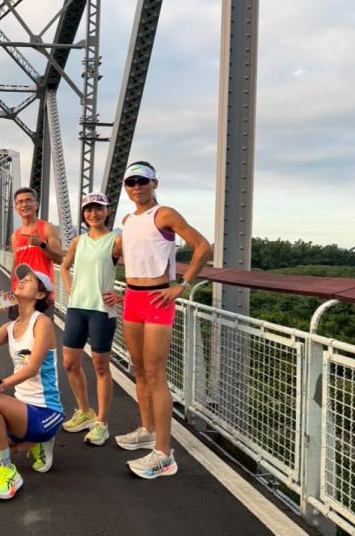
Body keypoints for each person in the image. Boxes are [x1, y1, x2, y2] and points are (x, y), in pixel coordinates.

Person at [114, 162, 211, 478]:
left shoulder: (164, 214)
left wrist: (182, 286)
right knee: (139, 368)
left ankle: (164, 454)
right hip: (132, 298)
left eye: (142, 181)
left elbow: (203, 247)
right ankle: (147, 431)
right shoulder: (127, 220)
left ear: (154, 184)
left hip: (158, 299)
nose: (136, 187)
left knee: (155, 373)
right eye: (131, 182)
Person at [0, 264, 64, 500]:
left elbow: (32, 368)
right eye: (22, 278)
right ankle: (28, 445)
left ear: (40, 294)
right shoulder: (10, 327)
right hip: (20, 411)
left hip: (45, 411)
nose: (22, 281)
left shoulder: (42, 323)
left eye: (30, 280)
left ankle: (8, 470)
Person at [59, 192, 121, 447]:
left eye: (98, 209)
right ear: (83, 214)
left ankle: (102, 423)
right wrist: (69, 286)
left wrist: (122, 294)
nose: (93, 214)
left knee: (100, 367)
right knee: (69, 363)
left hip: (101, 311)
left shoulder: (116, 240)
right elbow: (64, 266)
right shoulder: (78, 241)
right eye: (88, 209)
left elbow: (139, 269)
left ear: (107, 211)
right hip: (77, 308)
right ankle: (85, 411)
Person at [9, 187, 63, 319]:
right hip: (20, 293)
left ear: (36, 204)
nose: (24, 204)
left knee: (42, 330)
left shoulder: (47, 228)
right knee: (17, 330)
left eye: (28, 200)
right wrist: (11, 292)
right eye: (20, 202)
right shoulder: (15, 236)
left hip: (42, 293)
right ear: (16, 208)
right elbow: (15, 266)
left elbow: (59, 258)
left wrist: (42, 245)